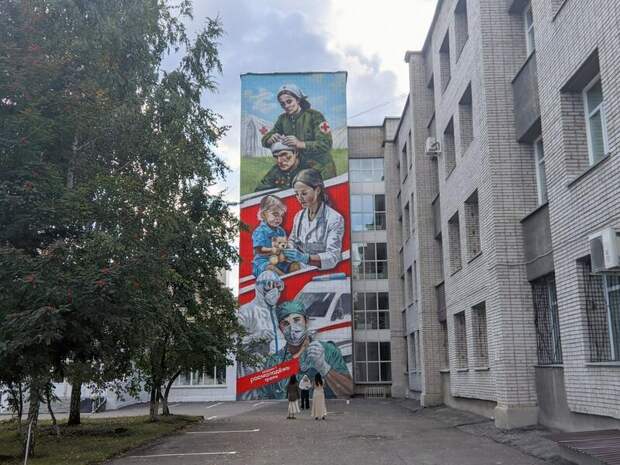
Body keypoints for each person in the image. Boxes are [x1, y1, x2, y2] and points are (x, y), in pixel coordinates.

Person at [260, 300, 353, 399]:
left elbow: (349, 392)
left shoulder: (328, 352)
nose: (292, 328)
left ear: (306, 322)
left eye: (297, 320)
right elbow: (264, 400)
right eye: (286, 323)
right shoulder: (273, 363)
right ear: (280, 328)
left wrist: (324, 367)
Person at [261, 84, 336, 181]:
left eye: (289, 101)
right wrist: (269, 139)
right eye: (282, 104)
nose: (286, 106)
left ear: (298, 100)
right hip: (299, 169)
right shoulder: (283, 119)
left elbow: (326, 144)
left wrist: (300, 144)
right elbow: (266, 138)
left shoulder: (315, 116)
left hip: (321, 169)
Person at [236, 270, 285, 400]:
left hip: (274, 371)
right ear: (259, 287)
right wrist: (255, 337)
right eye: (269, 285)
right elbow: (235, 343)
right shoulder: (247, 311)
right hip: (253, 373)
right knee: (252, 399)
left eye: (278, 286)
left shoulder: (276, 312)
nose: (275, 291)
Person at [283, 169, 345, 270]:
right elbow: (293, 240)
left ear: (317, 190)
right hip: (301, 268)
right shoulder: (299, 216)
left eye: (304, 193)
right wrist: (289, 249)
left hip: (322, 271)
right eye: (297, 194)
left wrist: (306, 258)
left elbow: (333, 257)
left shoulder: (334, 218)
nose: (299, 198)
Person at [252, 195, 288, 277]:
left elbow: (284, 246)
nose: (278, 218)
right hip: (263, 263)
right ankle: (286, 279)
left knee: (294, 265)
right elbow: (258, 250)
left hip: (278, 261)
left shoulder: (281, 231)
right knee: (271, 268)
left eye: (281, 215)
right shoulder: (260, 231)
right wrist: (272, 250)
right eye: (275, 214)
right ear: (264, 215)